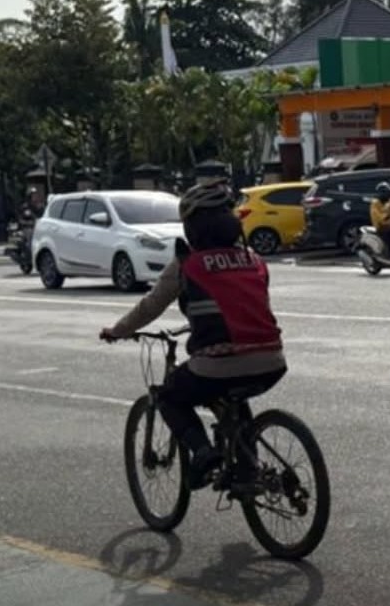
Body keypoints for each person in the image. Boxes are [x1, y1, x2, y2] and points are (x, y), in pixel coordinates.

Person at [100, 181, 286, 489]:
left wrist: (117, 331)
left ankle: (202, 453)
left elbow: (151, 306)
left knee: (169, 397)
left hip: (218, 365)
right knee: (235, 399)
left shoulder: (188, 264)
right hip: (273, 360)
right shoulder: (254, 259)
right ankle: (248, 472)